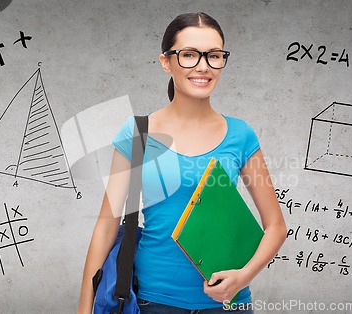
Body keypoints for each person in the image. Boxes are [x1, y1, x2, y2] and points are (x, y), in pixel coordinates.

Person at [78, 12, 286, 314]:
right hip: (153, 302)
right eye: (189, 55)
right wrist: (85, 309)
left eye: (214, 56)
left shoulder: (241, 135)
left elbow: (276, 226)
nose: (203, 66)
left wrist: (244, 276)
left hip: (228, 306)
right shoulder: (138, 132)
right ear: (166, 62)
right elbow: (106, 226)